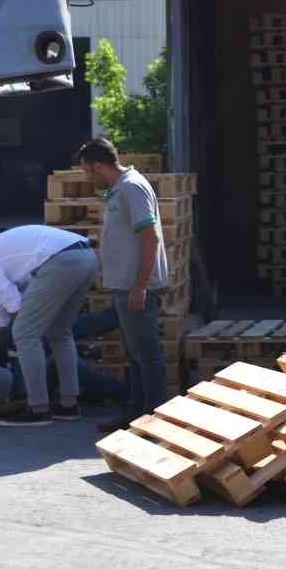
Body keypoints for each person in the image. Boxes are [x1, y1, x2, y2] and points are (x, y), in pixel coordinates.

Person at [0, 224, 96, 427]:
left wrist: (25, 331)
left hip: (60, 261)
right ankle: (69, 404)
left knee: (24, 333)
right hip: (85, 257)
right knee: (59, 331)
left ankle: (38, 408)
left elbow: (12, 303)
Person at [76, 138, 169, 432]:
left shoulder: (132, 188)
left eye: (88, 171)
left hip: (136, 287)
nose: (87, 177)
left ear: (99, 166)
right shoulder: (119, 189)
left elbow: (150, 238)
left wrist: (140, 287)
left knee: (147, 354)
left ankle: (153, 422)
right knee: (135, 354)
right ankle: (135, 416)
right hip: (126, 286)